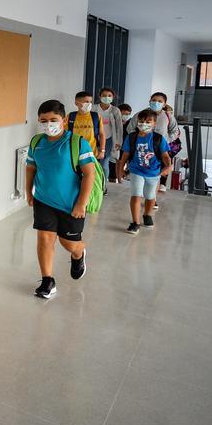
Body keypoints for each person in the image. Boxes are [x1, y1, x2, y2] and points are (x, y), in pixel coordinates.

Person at [26, 100, 97, 300]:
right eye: (43, 120)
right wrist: (28, 192)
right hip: (43, 200)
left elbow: (89, 174)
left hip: (71, 204)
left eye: (53, 120)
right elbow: (31, 167)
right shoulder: (36, 142)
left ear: (64, 120)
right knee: (45, 239)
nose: (49, 124)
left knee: (69, 244)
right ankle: (47, 280)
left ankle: (79, 253)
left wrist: (81, 204)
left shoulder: (77, 143)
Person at [118, 110, 173, 235]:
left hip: (154, 173)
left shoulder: (158, 139)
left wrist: (169, 166)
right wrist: (121, 169)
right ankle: (135, 222)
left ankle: (147, 215)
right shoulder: (132, 137)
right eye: (141, 121)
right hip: (136, 170)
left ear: (154, 123)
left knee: (150, 196)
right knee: (136, 195)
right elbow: (125, 155)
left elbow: (165, 155)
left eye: (148, 122)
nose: (144, 124)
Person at [149, 92, 179, 197]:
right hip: (145, 148)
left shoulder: (168, 116)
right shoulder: (142, 114)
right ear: (149, 101)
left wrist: (165, 140)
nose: (156, 103)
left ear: (164, 104)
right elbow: (131, 128)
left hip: (160, 149)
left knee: (156, 173)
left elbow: (175, 131)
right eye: (153, 100)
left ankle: (152, 198)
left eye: (159, 101)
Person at [68, 91, 106, 172]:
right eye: (86, 102)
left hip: (92, 153)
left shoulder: (96, 116)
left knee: (92, 176)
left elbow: (102, 134)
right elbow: (64, 134)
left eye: (90, 102)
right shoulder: (70, 116)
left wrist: (102, 151)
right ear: (77, 103)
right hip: (74, 153)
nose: (89, 104)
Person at [96, 88, 123, 189]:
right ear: (100, 96)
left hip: (108, 139)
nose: (106, 97)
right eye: (104, 95)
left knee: (104, 162)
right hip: (95, 139)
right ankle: (94, 184)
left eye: (109, 95)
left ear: (112, 97)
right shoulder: (94, 108)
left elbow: (119, 128)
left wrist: (118, 142)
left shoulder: (115, 110)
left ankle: (103, 186)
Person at [115, 104, 135, 183]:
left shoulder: (131, 123)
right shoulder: (116, 122)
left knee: (129, 162)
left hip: (129, 145)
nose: (125, 116)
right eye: (123, 114)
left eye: (127, 114)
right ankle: (119, 179)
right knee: (119, 162)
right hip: (119, 145)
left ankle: (127, 175)